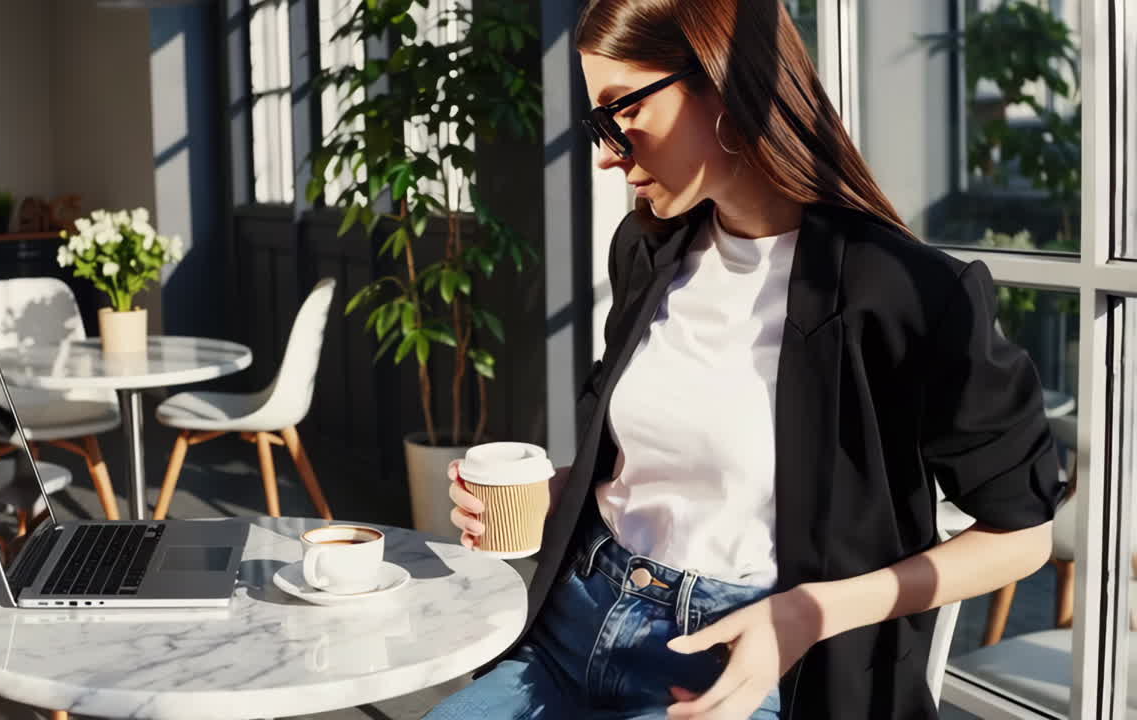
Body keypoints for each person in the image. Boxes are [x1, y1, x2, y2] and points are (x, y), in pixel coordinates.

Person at [424, 1, 1064, 718]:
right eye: (598, 125)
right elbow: (647, 469)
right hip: (576, 625)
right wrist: (557, 496)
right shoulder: (647, 250)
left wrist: (810, 614)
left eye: (621, 111)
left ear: (728, 86)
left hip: (745, 663)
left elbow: (1022, 536)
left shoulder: (904, 294)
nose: (608, 152)